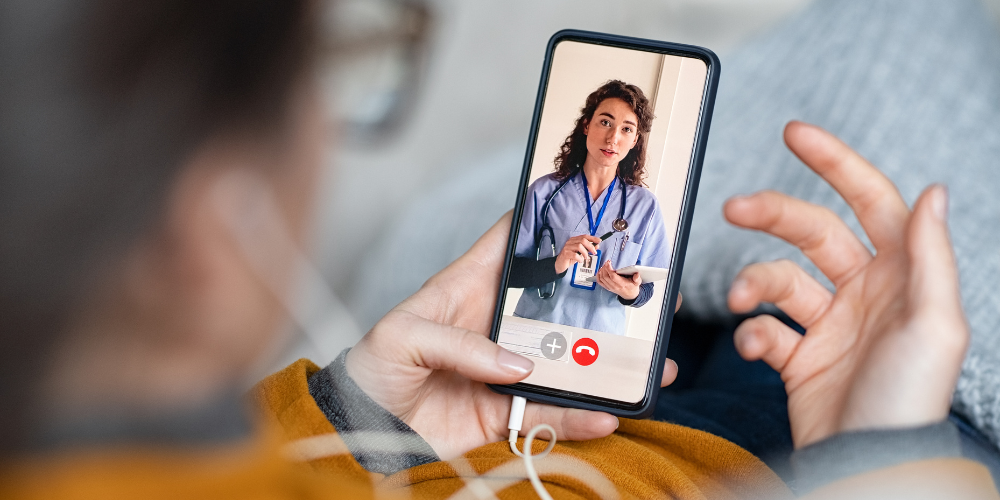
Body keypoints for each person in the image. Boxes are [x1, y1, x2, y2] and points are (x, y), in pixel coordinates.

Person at [1, 1, 997, 499]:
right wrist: (887, 457)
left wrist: (357, 424)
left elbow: (641, 262)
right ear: (209, 221)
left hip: (611, 406)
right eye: (341, 77)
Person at [509, 80, 671, 336]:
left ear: (635, 140)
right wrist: (557, 263)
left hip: (599, 340)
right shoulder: (544, 192)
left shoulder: (644, 207)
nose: (613, 138)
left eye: (626, 129)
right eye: (605, 122)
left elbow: (647, 290)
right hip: (535, 330)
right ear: (586, 125)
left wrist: (629, 292)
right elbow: (509, 272)